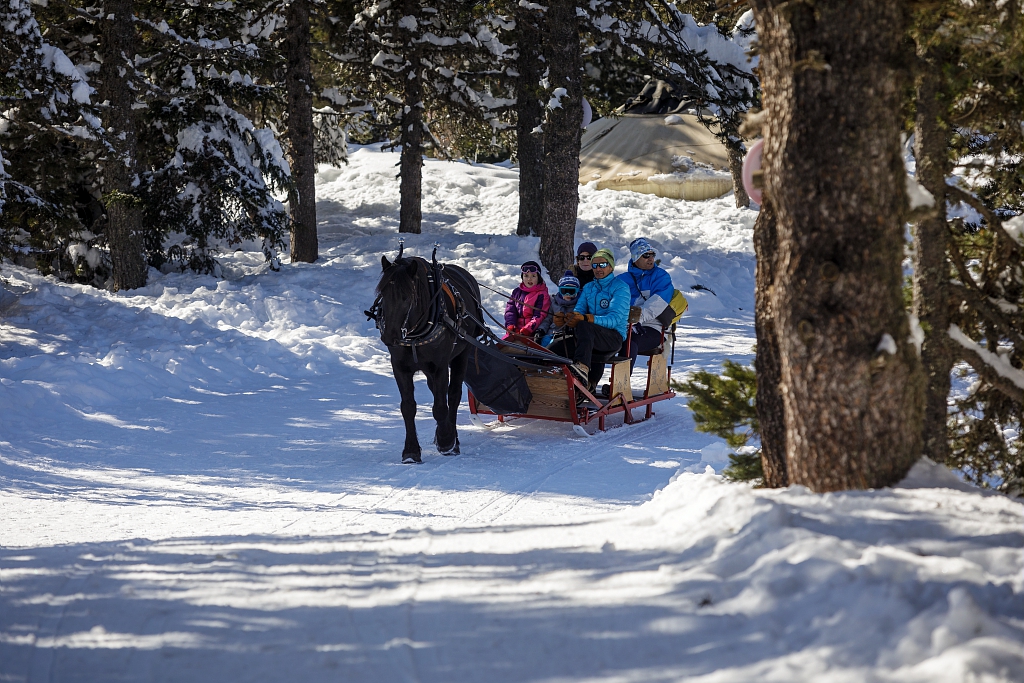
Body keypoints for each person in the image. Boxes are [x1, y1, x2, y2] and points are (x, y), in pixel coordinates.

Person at [553, 248, 630, 392]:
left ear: (611, 266)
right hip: (587, 338)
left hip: (612, 338)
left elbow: (614, 319)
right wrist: (566, 320)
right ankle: (543, 380)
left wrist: (586, 318)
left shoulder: (621, 288)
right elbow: (579, 310)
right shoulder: (588, 288)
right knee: (554, 348)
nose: (598, 269)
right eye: (595, 265)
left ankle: (582, 368)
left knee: (584, 325)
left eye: (602, 265)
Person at [617, 237, 676, 370]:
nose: (650, 258)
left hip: (654, 327)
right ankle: (588, 381)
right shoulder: (622, 280)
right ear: (635, 258)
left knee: (630, 341)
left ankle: (621, 384)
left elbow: (656, 305)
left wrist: (635, 320)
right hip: (623, 325)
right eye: (646, 255)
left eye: (652, 254)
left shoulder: (661, 277)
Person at [504, 261, 550, 342]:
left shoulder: (542, 294)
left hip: (532, 333)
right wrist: (511, 325)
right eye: (526, 276)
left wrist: (527, 330)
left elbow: (539, 315)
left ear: (538, 277)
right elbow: (510, 311)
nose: (529, 279)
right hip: (514, 331)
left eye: (533, 276)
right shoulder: (517, 292)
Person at [539, 271, 580, 347]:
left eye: (571, 291)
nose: (568, 294)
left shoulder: (579, 305)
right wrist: (541, 330)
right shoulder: (554, 303)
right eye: (564, 291)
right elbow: (547, 319)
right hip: (551, 333)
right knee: (543, 343)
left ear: (577, 291)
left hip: (567, 336)